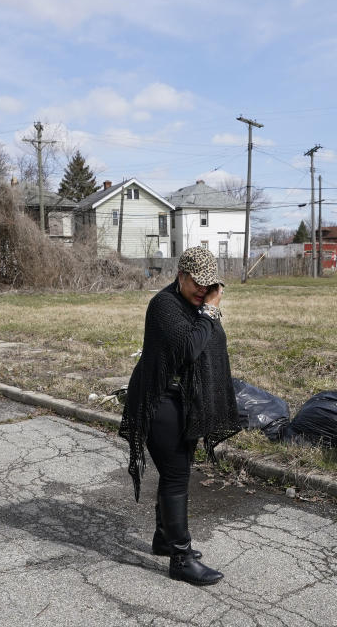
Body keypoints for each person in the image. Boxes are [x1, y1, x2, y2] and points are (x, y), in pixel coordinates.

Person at [119, 245, 241, 586]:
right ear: (181, 275)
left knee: (178, 471)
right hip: (158, 401)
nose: (203, 289)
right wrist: (210, 312)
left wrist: (207, 312)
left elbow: (210, 345)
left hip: (184, 402)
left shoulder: (198, 306)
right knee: (175, 477)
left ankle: (163, 538)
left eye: (209, 284)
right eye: (197, 282)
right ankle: (181, 558)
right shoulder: (165, 306)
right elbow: (189, 349)